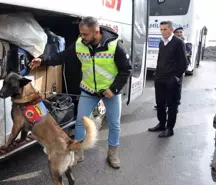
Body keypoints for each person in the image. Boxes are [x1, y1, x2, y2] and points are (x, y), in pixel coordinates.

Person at [29, 16, 132, 169]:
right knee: (80, 122)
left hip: (110, 91)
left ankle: (112, 153)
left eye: (85, 34)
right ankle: (78, 153)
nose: (81, 37)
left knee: (114, 123)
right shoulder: (80, 43)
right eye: (80, 33)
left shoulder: (115, 46)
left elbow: (126, 70)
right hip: (88, 90)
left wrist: (114, 89)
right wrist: (43, 60)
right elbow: (62, 56)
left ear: (96, 32)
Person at [148, 21, 188, 138]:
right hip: (160, 78)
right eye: (161, 29)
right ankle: (161, 124)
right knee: (160, 103)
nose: (162, 32)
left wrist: (176, 77)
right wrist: (157, 74)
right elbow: (160, 59)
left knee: (172, 105)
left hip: (172, 80)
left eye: (165, 29)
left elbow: (184, 63)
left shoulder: (178, 43)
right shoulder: (161, 43)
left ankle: (170, 129)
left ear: (171, 30)